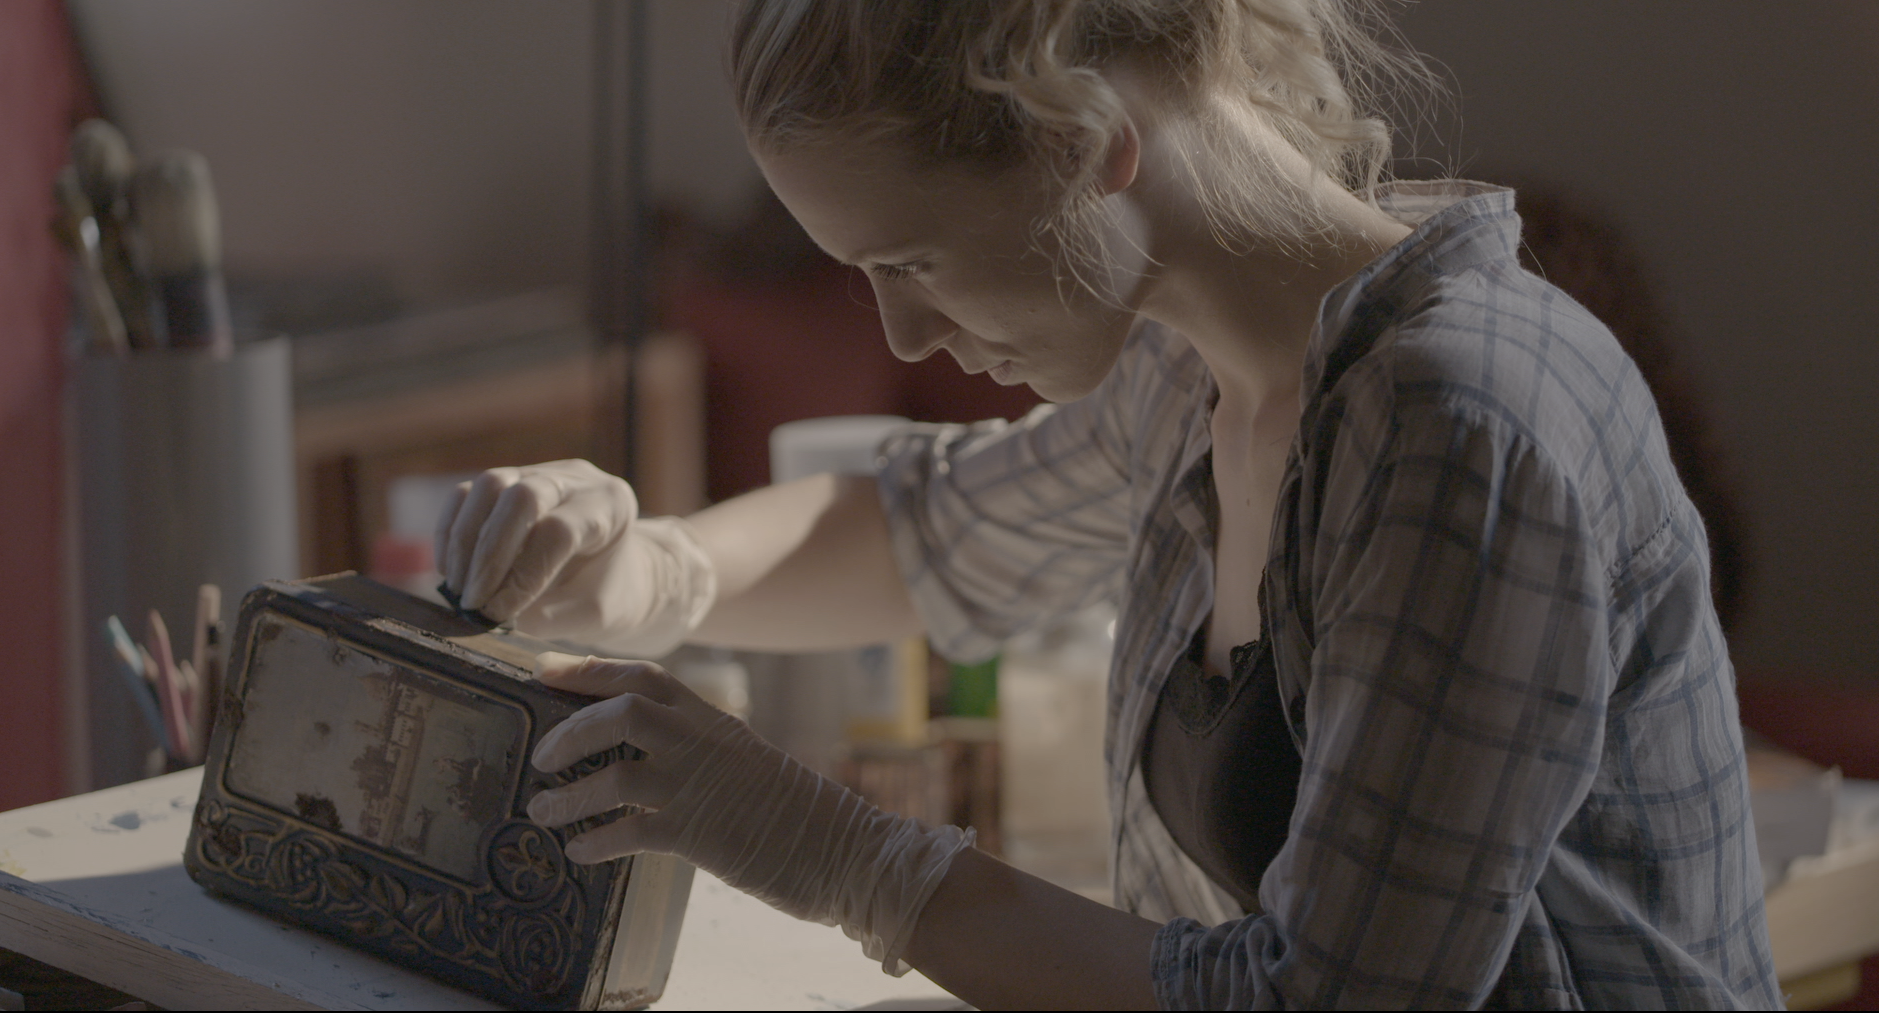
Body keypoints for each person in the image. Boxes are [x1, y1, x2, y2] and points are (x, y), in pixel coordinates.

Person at [436, 1, 1781, 1007]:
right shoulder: (1190, 370)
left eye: (909, 259)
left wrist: (821, 849)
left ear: (1098, 146)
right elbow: (918, 528)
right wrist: (646, 566)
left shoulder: (1458, 426)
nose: (902, 335)